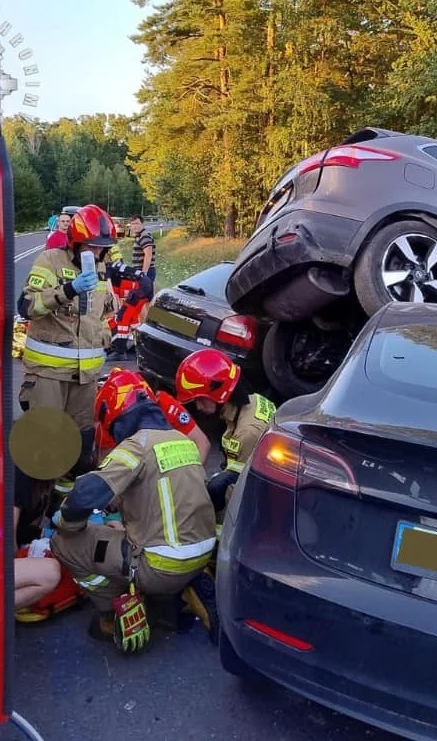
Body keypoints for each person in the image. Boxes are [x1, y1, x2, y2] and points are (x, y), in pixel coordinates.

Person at [49, 369, 219, 650]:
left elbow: (84, 496)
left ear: (114, 414)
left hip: (160, 567)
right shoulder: (181, 441)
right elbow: (157, 496)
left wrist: (67, 524)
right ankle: (181, 587)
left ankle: (111, 610)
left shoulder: (136, 446)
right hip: (201, 553)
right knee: (119, 533)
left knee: (63, 543)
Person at [13, 204, 118, 547]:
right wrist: (67, 292)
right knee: (42, 454)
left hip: (85, 380)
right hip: (48, 376)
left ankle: (60, 521)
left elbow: (106, 312)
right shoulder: (50, 262)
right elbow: (27, 307)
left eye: (103, 246)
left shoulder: (101, 269)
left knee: (79, 453)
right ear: (74, 242)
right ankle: (24, 531)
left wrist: (109, 331)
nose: (98, 252)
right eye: (93, 246)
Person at [174, 348, 276, 515]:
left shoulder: (247, 433)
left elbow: (238, 491)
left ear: (218, 392)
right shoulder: (253, 401)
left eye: (200, 399)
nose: (198, 407)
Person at [106, 215, 156, 360]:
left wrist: (116, 311)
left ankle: (120, 351)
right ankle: (137, 346)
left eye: (136, 224)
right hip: (142, 283)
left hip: (140, 285)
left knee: (123, 316)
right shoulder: (113, 267)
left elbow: (113, 297)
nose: (133, 226)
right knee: (133, 318)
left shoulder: (108, 269)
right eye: (131, 224)